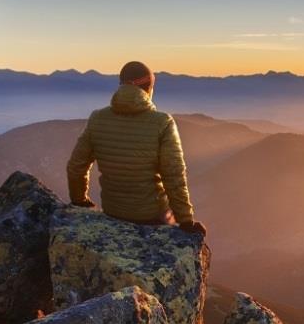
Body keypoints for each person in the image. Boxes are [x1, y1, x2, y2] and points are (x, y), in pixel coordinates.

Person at [66, 61, 206, 235]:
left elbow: (76, 166)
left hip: (113, 211)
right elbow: (174, 175)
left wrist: (79, 200)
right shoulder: (163, 122)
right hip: (153, 216)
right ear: (149, 88)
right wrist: (185, 220)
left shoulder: (97, 119)